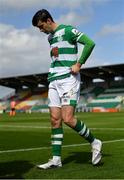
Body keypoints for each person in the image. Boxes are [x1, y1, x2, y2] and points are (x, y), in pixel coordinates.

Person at [32, 9, 102, 169]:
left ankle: (95, 141)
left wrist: (79, 64)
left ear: (48, 20)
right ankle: (56, 159)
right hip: (53, 81)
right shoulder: (50, 38)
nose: (41, 30)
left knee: (68, 119)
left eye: (41, 26)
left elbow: (90, 43)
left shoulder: (68, 30)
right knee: (55, 120)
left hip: (68, 80)